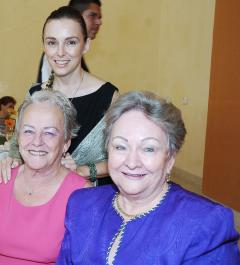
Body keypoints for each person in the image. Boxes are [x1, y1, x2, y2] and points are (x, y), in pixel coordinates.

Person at [57, 91, 240, 264]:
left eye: (148, 149)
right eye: (120, 147)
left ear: (169, 158)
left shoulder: (205, 224)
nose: (132, 162)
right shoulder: (81, 204)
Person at [0, 6, 118, 185]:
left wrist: (81, 170)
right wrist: (11, 160)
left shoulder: (108, 96)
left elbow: (123, 158)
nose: (60, 52)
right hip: (41, 195)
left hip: (89, 198)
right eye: (52, 42)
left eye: (71, 42)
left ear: (86, 45)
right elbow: (17, 146)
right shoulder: (35, 94)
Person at [0, 91, 90, 265]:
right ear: (17, 138)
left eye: (49, 133)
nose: (37, 141)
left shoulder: (81, 194)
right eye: (28, 131)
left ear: (66, 143)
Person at [36, 0, 102, 83]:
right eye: (92, 15)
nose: (99, 22)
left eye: (71, 43)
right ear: (76, 16)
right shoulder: (54, 59)